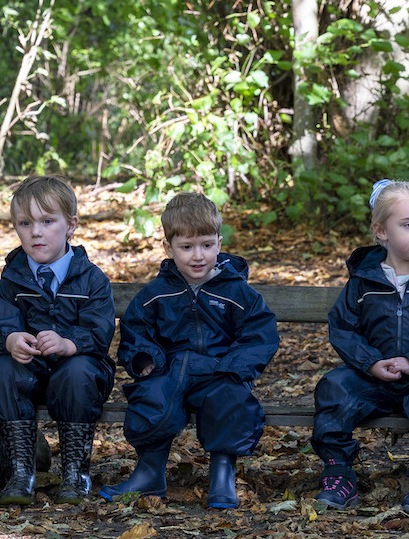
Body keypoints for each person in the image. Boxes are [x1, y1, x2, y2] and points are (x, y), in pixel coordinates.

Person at [102, 192, 279, 508]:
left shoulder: (238, 292)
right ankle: (149, 471)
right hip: (171, 370)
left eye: (207, 245)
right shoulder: (157, 293)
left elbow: (259, 335)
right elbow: (136, 329)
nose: (198, 256)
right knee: (151, 396)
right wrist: (144, 358)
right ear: (169, 248)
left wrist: (235, 367)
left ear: (219, 244)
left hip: (218, 371)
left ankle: (222, 473)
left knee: (231, 399)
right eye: (187, 247)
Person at [311, 179, 409, 519]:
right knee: (334, 385)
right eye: (408, 225)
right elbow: (343, 328)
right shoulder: (363, 283)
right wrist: (371, 363)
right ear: (381, 231)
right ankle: (338, 472)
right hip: (372, 377)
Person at [0, 176, 115, 506]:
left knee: (78, 372)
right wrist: (11, 338)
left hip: (78, 372)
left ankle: (75, 473)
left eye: (47, 221)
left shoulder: (91, 279)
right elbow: (0, 322)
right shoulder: (13, 278)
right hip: (31, 370)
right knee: (3, 369)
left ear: (71, 225)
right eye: (25, 223)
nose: (36, 232)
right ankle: (21, 471)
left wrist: (69, 342)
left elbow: (99, 331)